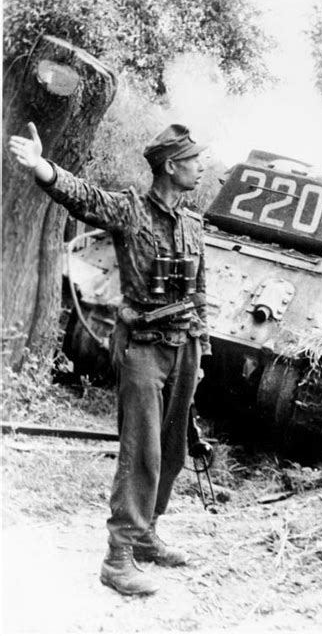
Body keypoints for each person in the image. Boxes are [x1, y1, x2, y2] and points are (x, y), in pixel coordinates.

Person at [9, 122, 211, 594]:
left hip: (185, 347)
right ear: (170, 166)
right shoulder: (130, 210)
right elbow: (84, 197)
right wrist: (43, 167)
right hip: (143, 345)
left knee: (174, 449)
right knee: (142, 450)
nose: (202, 167)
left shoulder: (194, 222)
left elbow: (201, 290)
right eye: (195, 160)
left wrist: (202, 347)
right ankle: (117, 556)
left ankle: (146, 535)